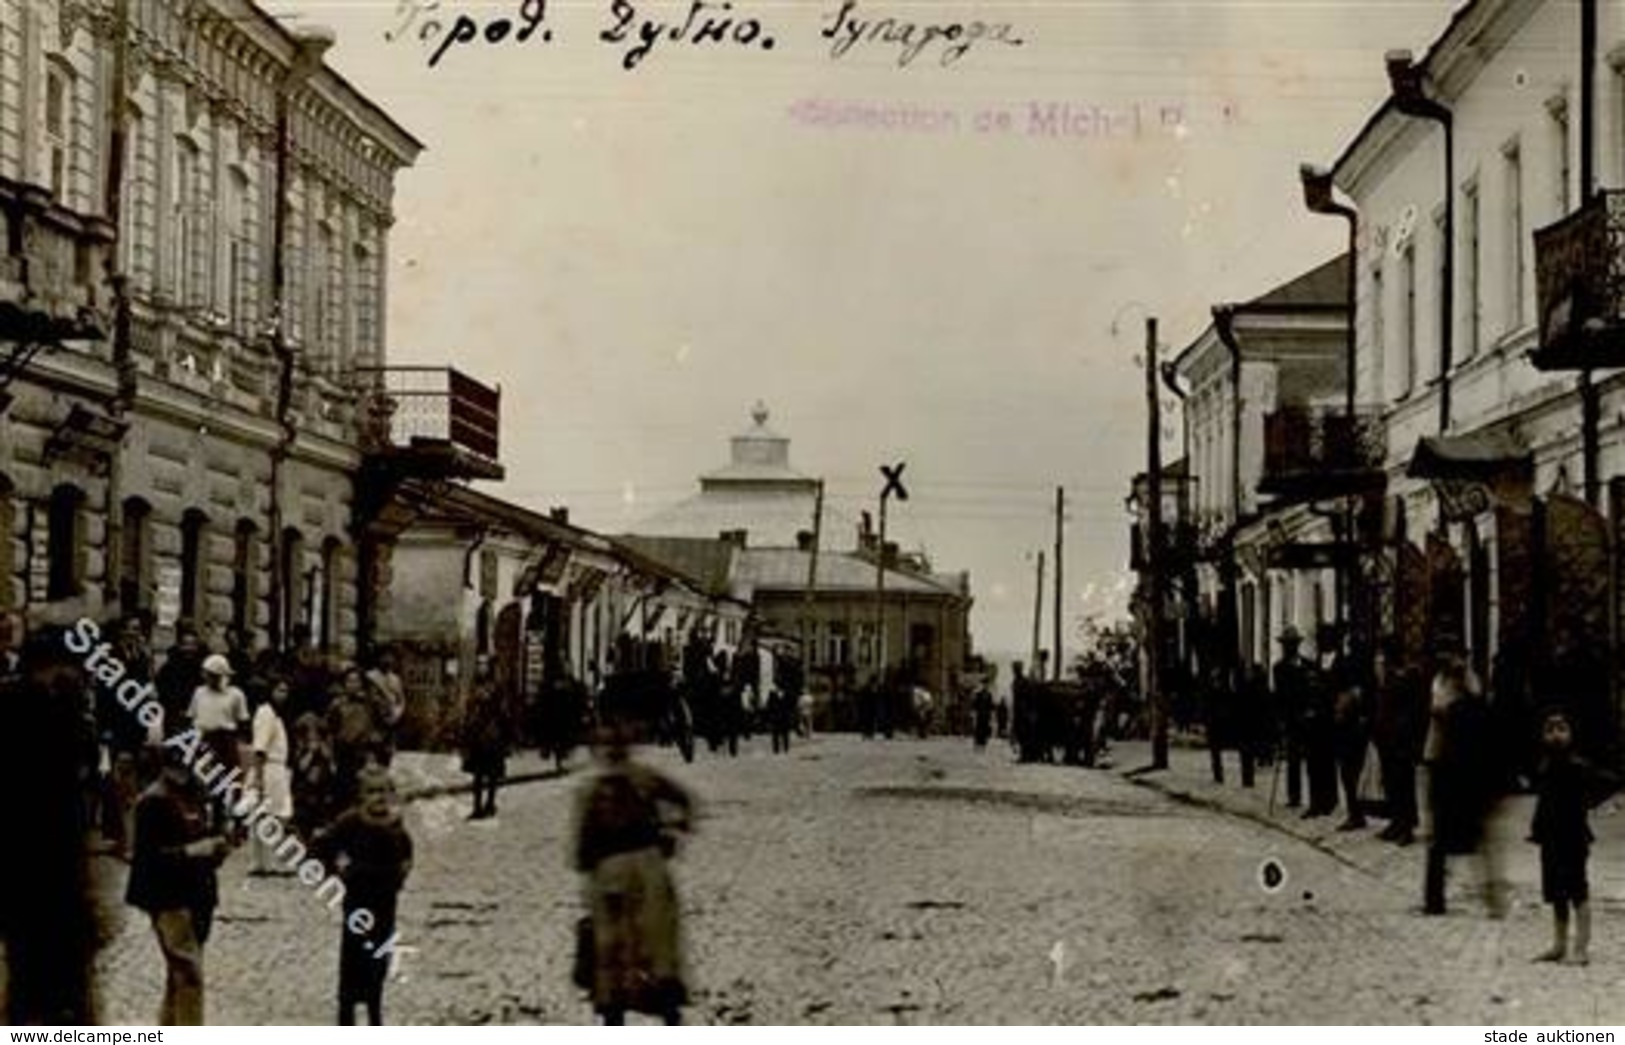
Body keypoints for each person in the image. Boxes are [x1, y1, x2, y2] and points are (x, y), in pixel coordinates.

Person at [1, 615, 105, 1024]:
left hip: (53, 874)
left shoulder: (66, 713)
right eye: (74, 667)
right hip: (32, 873)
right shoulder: (30, 711)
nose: (80, 676)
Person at [572, 719, 695, 1025]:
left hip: (614, 873)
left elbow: (581, 850)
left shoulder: (591, 789)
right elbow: (683, 801)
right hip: (646, 868)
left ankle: (615, 1009)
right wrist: (673, 831)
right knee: (653, 943)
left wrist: (589, 872)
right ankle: (665, 1006)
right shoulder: (643, 778)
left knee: (613, 946)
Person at [126, 745, 231, 1025]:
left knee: (180, 973)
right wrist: (193, 850)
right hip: (168, 897)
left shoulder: (198, 794)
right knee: (189, 972)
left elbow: (211, 833)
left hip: (199, 892)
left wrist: (219, 847)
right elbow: (148, 859)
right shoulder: (153, 802)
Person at [315, 766, 413, 1025]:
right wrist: (338, 873)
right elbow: (323, 847)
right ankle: (346, 1016)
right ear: (360, 796)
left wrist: (400, 877)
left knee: (378, 961)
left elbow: (406, 854)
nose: (378, 797)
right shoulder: (350, 822)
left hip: (385, 903)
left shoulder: (394, 825)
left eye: (383, 791)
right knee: (353, 960)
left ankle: (374, 1013)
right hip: (357, 902)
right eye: (371, 792)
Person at [1530, 709, 1615, 966]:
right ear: (1543, 735)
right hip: (1550, 838)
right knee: (1556, 891)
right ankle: (1559, 944)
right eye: (1550, 729)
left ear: (1571, 734)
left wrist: (1590, 804)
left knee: (1577, 890)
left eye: (1562, 729)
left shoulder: (1578, 765)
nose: (1556, 734)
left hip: (1573, 838)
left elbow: (1610, 781)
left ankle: (1581, 948)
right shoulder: (1545, 766)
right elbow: (1543, 803)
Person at [1422, 652, 1501, 917]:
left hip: (1454, 781)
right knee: (1479, 843)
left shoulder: (1452, 711)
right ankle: (1491, 899)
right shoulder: (1477, 707)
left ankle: (1435, 900)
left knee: (1443, 843)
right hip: (1469, 782)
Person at [188, 654, 250, 831]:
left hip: (226, 740)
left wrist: (240, 741)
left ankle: (236, 823)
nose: (208, 678)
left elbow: (242, 719)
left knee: (232, 782)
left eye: (212, 675)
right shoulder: (199, 692)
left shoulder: (235, 694)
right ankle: (208, 822)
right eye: (206, 674)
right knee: (205, 782)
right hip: (205, 740)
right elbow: (193, 716)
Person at [1373, 640, 1426, 846]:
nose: (1382, 659)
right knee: (1390, 781)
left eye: (1384, 655)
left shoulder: (1410, 675)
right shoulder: (1387, 676)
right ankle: (1395, 821)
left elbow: (1416, 709)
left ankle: (1406, 827)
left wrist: (1413, 739)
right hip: (1387, 737)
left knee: (1404, 782)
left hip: (1403, 738)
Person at [249, 678, 295, 874]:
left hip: (276, 767)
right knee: (274, 815)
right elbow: (260, 748)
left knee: (269, 816)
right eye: (280, 690)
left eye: (286, 691)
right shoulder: (266, 714)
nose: (283, 695)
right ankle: (267, 862)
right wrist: (259, 777)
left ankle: (263, 862)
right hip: (269, 768)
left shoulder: (275, 715)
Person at [1271, 628, 1314, 809]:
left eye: (1292, 645)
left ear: (1297, 645)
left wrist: (1311, 710)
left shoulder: (1308, 665)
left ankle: (1316, 799)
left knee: (1312, 760)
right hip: (1291, 717)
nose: (1289, 648)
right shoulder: (1278, 668)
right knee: (1293, 759)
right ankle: (1294, 796)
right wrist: (1280, 720)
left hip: (1308, 717)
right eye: (1286, 645)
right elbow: (1279, 696)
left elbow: (1313, 691)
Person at [461, 662, 510, 819]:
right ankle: (477, 807)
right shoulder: (474, 686)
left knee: (492, 772)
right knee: (477, 774)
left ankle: (490, 803)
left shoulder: (496, 687)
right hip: (477, 735)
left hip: (492, 734)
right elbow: (469, 707)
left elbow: (503, 711)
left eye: (484, 665)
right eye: (479, 664)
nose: (481, 668)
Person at [1331, 644, 1372, 831]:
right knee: (1349, 773)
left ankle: (1356, 814)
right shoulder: (1343, 661)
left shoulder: (1361, 666)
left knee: (1351, 772)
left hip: (1354, 727)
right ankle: (1355, 813)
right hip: (1347, 725)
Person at [328, 668, 381, 809]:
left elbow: (379, 723)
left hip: (362, 752)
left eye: (356, 681)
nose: (352, 684)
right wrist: (331, 757)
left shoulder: (369, 704)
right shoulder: (337, 705)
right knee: (342, 793)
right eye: (349, 681)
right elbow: (330, 731)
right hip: (343, 753)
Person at [291, 711, 340, 841]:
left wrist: (326, 755)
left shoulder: (327, 746)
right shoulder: (300, 747)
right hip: (304, 793)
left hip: (323, 792)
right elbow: (301, 768)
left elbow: (334, 770)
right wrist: (311, 752)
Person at [155, 622, 204, 738]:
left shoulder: (201, 669)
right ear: (179, 645)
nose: (189, 648)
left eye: (193, 644)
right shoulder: (168, 669)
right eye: (186, 644)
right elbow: (163, 692)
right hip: (174, 717)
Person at [364, 651, 408, 767]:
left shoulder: (395, 679)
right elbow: (371, 699)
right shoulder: (371, 677)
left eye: (390, 657)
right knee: (374, 753)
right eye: (385, 657)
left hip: (391, 721)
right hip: (375, 721)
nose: (388, 660)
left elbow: (401, 699)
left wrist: (397, 713)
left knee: (388, 755)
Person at [971, 680, 993, 749]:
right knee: (979, 728)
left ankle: (983, 742)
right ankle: (978, 742)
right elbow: (975, 704)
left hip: (986, 715)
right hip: (980, 714)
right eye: (984, 684)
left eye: (986, 685)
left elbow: (990, 706)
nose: (985, 686)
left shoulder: (989, 695)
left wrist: (990, 715)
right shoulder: (978, 694)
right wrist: (974, 712)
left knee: (984, 729)